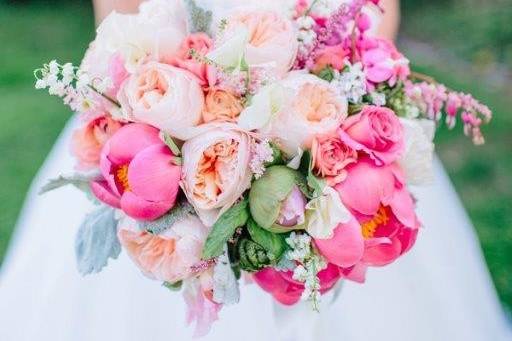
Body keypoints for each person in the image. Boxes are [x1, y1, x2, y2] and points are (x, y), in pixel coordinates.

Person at [0, 1, 510, 340]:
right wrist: (176, 122)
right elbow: (118, 17)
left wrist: (329, 118)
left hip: (324, 110)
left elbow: (378, 13)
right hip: (166, 108)